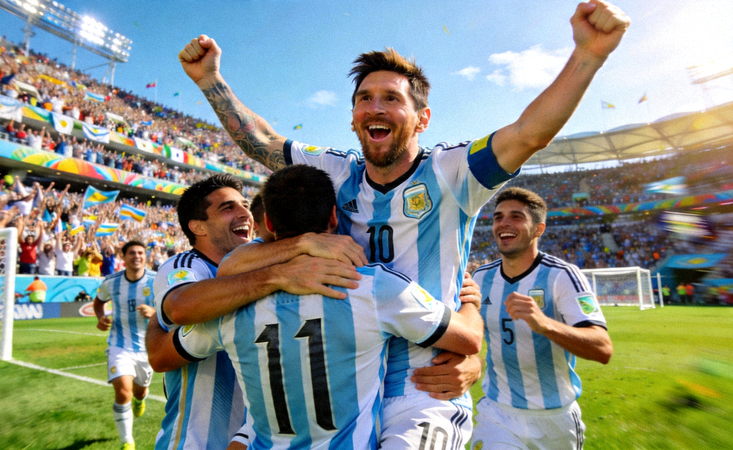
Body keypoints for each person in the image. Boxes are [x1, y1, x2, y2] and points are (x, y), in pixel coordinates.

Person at [178, 1, 629, 445]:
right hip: (348, 378)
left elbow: (529, 133)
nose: (375, 107)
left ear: (421, 119)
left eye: (391, 98)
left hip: (424, 384)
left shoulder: (451, 172)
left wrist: (589, 54)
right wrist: (210, 79)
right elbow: (261, 142)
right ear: (353, 118)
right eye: (364, 99)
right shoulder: (337, 170)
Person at [165, 164, 482, 448]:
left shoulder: (230, 306)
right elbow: (468, 338)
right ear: (333, 216)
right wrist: (470, 303)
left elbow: (161, 354)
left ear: (269, 223)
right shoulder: (372, 287)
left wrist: (155, 325)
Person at [146, 174, 365, 450]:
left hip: (257, 435)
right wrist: (277, 275)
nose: (245, 214)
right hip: (198, 441)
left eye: (245, 205)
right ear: (198, 227)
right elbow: (179, 308)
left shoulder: (266, 259)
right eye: (228, 208)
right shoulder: (189, 265)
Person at [470, 187, 613, 450]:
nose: (503, 223)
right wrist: (472, 363)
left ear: (539, 229)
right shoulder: (481, 277)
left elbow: (602, 348)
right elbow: (470, 337)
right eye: (498, 217)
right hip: (497, 413)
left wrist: (545, 324)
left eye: (516, 216)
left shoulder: (563, 275)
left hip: (554, 419)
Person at [93, 241, 157, 450]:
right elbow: (99, 302)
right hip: (119, 345)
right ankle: (127, 442)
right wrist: (100, 317)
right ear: (123, 257)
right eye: (132, 253)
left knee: (139, 392)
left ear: (145, 256)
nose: (136, 256)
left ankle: (140, 400)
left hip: (147, 347)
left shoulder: (156, 280)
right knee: (123, 392)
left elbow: (171, 306)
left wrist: (154, 313)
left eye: (140, 252)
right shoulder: (111, 282)